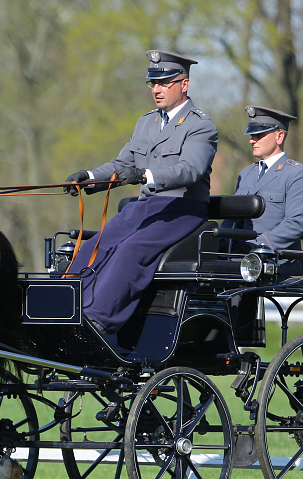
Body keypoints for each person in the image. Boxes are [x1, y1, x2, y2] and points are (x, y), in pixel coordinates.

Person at [62, 50, 218, 336]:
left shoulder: (201, 125)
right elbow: (123, 165)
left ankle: (97, 321)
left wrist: (146, 175)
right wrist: (89, 177)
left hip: (182, 210)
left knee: (131, 250)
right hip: (144, 207)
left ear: (184, 84)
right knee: (96, 245)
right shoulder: (146, 122)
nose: (156, 89)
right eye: (152, 83)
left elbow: (190, 170)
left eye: (165, 82)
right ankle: (63, 308)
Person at [221, 106, 303, 276]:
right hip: (242, 257)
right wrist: (221, 242)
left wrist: (259, 245)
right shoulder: (246, 174)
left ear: (279, 136)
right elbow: (232, 219)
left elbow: (294, 224)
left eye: (259, 135)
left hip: (275, 259)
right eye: (251, 135)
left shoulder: (296, 174)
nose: (252, 140)